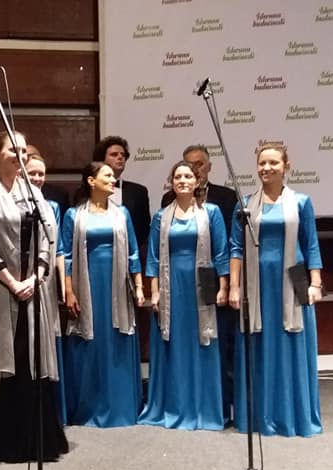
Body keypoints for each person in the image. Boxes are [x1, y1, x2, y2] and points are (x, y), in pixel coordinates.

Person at [0, 131, 66, 465]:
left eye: (23, 150)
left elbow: (48, 237)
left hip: (32, 289)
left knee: (29, 362)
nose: (20, 155)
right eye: (13, 150)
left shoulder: (32, 193)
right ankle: (0, 444)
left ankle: (34, 443)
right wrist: (11, 282)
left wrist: (35, 278)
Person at [228, 143, 323, 437]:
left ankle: (292, 416)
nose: (266, 168)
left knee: (291, 344)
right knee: (258, 347)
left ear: (286, 166)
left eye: (273, 163)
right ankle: (260, 417)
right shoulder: (244, 205)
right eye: (262, 163)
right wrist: (234, 286)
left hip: (292, 282)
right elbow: (236, 248)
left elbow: (311, 244)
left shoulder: (302, 202)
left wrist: (316, 283)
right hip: (257, 285)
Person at [139, 161, 229, 430]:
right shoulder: (161, 216)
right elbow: (153, 258)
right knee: (174, 345)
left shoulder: (211, 212)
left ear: (197, 181)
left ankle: (204, 409)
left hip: (201, 287)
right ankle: (174, 406)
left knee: (202, 343)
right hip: (171, 288)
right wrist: (154, 292)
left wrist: (224, 286)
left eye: (188, 176)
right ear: (171, 182)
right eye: (177, 176)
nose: (183, 180)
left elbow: (221, 253)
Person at [61, 162, 144, 427]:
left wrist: (139, 286)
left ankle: (120, 406)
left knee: (117, 339)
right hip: (87, 286)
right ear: (91, 181)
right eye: (107, 175)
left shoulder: (123, 213)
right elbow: (66, 256)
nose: (112, 179)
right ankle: (89, 406)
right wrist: (69, 291)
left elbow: (133, 253)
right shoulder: (74, 215)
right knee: (90, 343)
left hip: (117, 286)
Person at [162, 144, 238, 424]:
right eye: (187, 166)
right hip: (177, 283)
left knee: (215, 344)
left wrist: (225, 285)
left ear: (207, 168)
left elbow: (225, 247)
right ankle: (183, 400)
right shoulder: (166, 203)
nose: (192, 171)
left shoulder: (224, 200)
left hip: (210, 282)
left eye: (198, 166)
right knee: (182, 342)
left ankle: (218, 403)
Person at [26, 153, 68, 423]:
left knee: (47, 339)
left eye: (41, 174)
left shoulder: (52, 206)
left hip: (46, 280)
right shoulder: (12, 203)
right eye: (32, 173)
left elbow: (59, 248)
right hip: (20, 278)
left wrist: (63, 286)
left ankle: (51, 413)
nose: (37, 178)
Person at [95, 135, 151, 256]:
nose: (120, 157)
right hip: (97, 254)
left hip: (130, 256)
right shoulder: (88, 191)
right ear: (102, 160)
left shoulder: (139, 192)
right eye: (114, 154)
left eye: (123, 155)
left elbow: (144, 230)